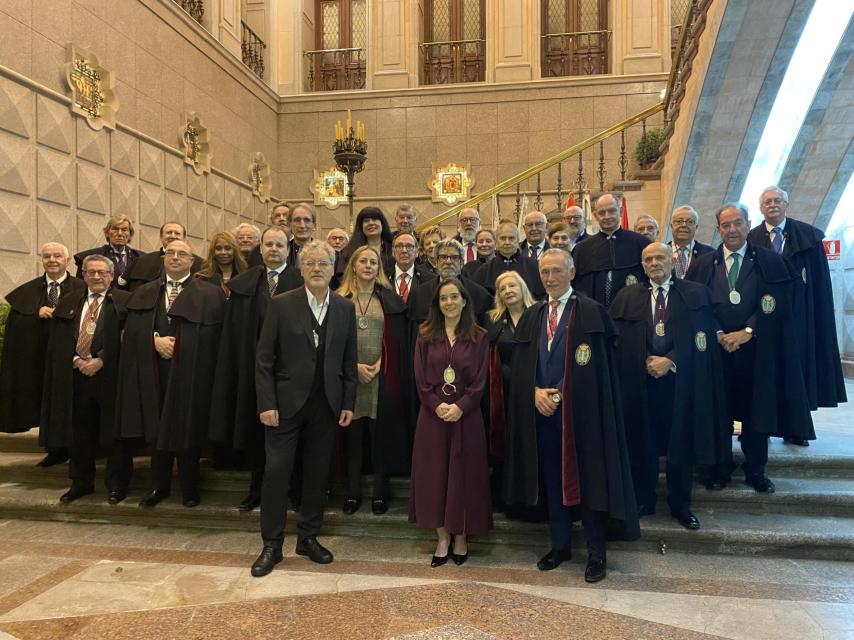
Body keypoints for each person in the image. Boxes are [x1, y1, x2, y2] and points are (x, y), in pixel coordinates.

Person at [504, 249, 639, 583]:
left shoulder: (591, 312)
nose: (550, 278)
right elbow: (522, 367)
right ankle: (560, 545)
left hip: (583, 418)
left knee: (591, 481)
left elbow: (600, 371)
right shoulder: (534, 315)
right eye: (545, 272)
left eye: (556, 271)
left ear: (572, 272)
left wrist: (562, 393)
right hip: (544, 416)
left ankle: (596, 553)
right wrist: (534, 392)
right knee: (551, 480)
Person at [686, 203, 814, 492]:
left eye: (737, 223)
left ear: (748, 224)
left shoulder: (769, 260)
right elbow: (695, 305)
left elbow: (777, 301)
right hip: (717, 354)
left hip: (757, 352)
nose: (732, 230)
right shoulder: (704, 264)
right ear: (718, 228)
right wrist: (718, 332)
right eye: (726, 225)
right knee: (719, 411)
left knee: (757, 413)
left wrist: (747, 331)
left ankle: (756, 469)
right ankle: (720, 467)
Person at [251, 241, 357, 577]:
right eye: (309, 262)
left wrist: (348, 402)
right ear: (301, 267)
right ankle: (272, 544)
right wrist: (266, 403)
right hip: (284, 406)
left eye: (323, 263)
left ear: (332, 268)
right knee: (277, 472)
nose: (316, 268)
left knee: (317, 474)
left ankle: (308, 537)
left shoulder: (344, 308)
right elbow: (264, 359)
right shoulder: (281, 304)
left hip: (326, 404)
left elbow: (348, 360)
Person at [610, 243, 731, 530]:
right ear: (642, 264)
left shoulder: (694, 293)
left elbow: (702, 338)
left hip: (681, 383)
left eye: (660, 257)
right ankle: (644, 499)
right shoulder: (627, 296)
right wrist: (645, 360)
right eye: (648, 259)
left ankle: (680, 505)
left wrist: (671, 361)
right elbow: (618, 341)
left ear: (671, 261)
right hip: (642, 383)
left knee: (681, 444)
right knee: (643, 442)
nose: (654, 263)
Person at [115, 240, 226, 508]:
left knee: (187, 427)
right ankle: (159, 486)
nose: (175, 258)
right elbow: (130, 333)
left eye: (182, 254)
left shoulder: (209, 293)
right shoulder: (145, 291)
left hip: (192, 371)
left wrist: (182, 346)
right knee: (157, 428)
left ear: (192, 261)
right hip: (154, 370)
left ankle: (189, 488)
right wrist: (153, 342)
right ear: (164, 259)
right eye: (171, 253)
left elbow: (217, 338)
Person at [209, 226, 303, 511]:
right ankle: (256, 489)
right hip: (254, 368)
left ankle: (293, 490)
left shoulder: (301, 281)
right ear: (260, 249)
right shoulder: (244, 283)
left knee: (291, 433)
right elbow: (234, 332)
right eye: (269, 244)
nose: (274, 249)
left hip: (291, 372)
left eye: (279, 245)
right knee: (256, 432)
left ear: (289, 250)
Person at [747, 186, 846, 428]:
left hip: (799, 316)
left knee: (797, 371)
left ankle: (797, 426)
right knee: (764, 372)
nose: (773, 205)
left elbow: (819, 283)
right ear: (761, 208)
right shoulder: (750, 239)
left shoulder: (808, 237)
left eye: (777, 201)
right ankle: (763, 427)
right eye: (767, 201)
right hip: (764, 318)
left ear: (786, 204)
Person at [410, 278, 491, 566]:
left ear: (465, 300)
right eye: (444, 298)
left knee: (464, 476)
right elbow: (420, 380)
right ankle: (442, 537)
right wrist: (437, 405)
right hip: (432, 418)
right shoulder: (425, 334)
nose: (449, 303)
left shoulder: (479, 336)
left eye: (454, 297)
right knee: (435, 476)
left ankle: (461, 536)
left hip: (467, 418)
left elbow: (481, 380)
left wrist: (461, 406)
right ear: (437, 303)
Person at [40, 255, 133, 504]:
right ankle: (81, 483)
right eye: (91, 272)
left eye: (102, 272)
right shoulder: (69, 301)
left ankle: (117, 485)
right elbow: (59, 340)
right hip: (77, 377)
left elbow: (130, 339)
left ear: (112, 276)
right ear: (83, 275)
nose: (96, 277)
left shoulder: (125, 302)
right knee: (79, 434)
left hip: (111, 377)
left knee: (113, 435)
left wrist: (101, 360)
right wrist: (76, 360)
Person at [337, 246, 410, 515]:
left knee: (380, 438)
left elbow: (396, 340)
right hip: (350, 377)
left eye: (373, 262)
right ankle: (353, 492)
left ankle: (380, 491)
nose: (368, 265)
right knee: (353, 439)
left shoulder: (389, 299)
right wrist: (354, 367)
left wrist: (381, 363)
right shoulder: (340, 297)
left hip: (382, 375)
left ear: (379, 267)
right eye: (362, 261)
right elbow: (334, 341)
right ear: (353, 266)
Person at [0, 242, 85, 467]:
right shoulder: (28, 291)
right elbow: (15, 328)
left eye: (58, 256)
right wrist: (34, 314)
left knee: (71, 403)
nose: (52, 260)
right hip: (38, 359)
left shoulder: (82, 287)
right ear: (43, 261)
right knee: (47, 403)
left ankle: (77, 449)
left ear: (67, 261)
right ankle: (54, 449)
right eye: (47, 256)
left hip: (72, 359)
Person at [484, 271, 535, 506]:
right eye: (502, 288)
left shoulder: (538, 314)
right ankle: (504, 496)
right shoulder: (492, 319)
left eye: (512, 285)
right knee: (505, 443)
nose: (508, 291)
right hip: (502, 392)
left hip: (533, 389)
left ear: (522, 287)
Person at [572, 193, 650, 307]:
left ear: (621, 211)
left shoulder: (641, 243)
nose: (607, 216)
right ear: (595, 215)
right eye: (602, 213)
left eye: (612, 211)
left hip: (633, 313)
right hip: (594, 315)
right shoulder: (581, 249)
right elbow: (575, 285)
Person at [408, 238, 493, 326]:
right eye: (443, 257)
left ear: (461, 263)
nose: (448, 262)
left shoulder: (479, 295)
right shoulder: (419, 294)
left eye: (454, 257)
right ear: (436, 262)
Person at [120, 222, 202, 291]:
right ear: (161, 237)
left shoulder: (201, 264)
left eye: (177, 233)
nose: (173, 236)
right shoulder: (142, 261)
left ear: (184, 239)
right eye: (169, 232)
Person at [474, 221, 545, 299]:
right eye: (503, 238)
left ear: (518, 240)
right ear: (496, 241)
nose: (507, 242)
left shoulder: (534, 267)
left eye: (511, 238)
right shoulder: (484, 270)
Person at [73, 214, 142, 284]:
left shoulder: (140, 258)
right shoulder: (90, 257)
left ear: (130, 234)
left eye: (124, 230)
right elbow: (80, 288)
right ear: (107, 233)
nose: (120, 233)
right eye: (115, 229)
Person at [389, 231, 435, 303]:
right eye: (399, 246)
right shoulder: (382, 278)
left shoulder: (431, 280)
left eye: (409, 246)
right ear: (392, 252)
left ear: (417, 252)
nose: (404, 250)